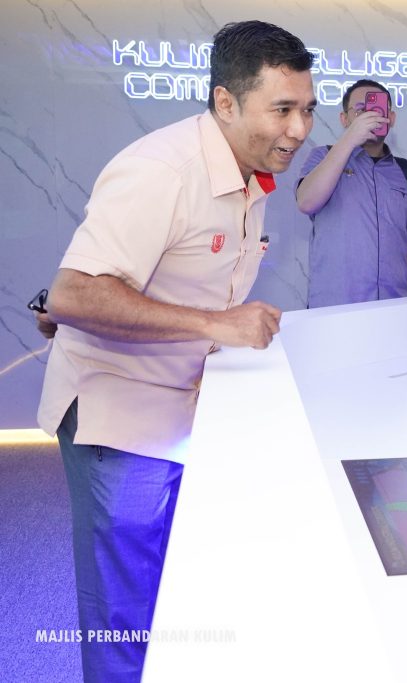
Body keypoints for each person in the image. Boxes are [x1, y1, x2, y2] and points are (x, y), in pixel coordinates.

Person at [33, 21, 315, 681]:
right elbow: (73, 294)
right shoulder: (163, 170)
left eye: (307, 108)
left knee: (177, 590)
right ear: (226, 102)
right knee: (127, 612)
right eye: (282, 109)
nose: (300, 128)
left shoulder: (250, 174)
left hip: (185, 412)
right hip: (121, 419)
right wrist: (217, 324)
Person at [296, 79, 407, 307]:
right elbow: (306, 202)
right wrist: (351, 138)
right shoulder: (323, 157)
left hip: (395, 309)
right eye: (360, 111)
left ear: (391, 118)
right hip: (335, 310)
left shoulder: (406, 172)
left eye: (377, 110)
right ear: (344, 119)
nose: (370, 117)